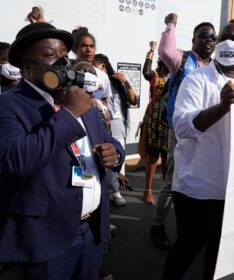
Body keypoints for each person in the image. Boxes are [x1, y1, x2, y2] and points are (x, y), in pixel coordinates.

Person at [0, 22, 124, 279]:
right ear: (26, 67)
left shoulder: (78, 98)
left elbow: (108, 139)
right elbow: (17, 160)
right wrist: (67, 115)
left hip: (91, 232)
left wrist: (116, 153)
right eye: (49, 55)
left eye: (63, 56)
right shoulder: (9, 105)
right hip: (47, 240)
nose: (61, 64)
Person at [163, 19, 234, 280]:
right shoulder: (197, 79)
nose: (227, 43)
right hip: (198, 189)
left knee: (219, 254)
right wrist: (220, 108)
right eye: (223, 38)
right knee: (187, 248)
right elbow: (182, 126)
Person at [149, 13, 216, 249]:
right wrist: (171, 24)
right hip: (182, 130)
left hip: (208, 131)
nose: (209, 39)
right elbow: (166, 50)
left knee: (200, 179)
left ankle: (189, 229)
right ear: (194, 40)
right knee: (174, 180)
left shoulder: (217, 67)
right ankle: (157, 225)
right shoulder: (183, 61)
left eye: (213, 36)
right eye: (203, 35)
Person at [72, 27, 127, 206]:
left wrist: (106, 132)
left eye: (91, 46)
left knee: (96, 169)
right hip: (72, 125)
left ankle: (99, 210)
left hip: (95, 123)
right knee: (76, 168)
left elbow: (104, 102)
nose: (88, 50)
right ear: (75, 49)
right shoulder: (66, 71)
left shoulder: (102, 76)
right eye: (83, 46)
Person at [93, 53, 137, 206]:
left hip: (118, 129)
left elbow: (133, 100)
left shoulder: (116, 83)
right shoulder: (93, 85)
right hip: (100, 127)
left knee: (116, 162)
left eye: (96, 66)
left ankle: (115, 192)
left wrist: (126, 82)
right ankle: (108, 194)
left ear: (104, 67)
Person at [141, 41, 170, 205]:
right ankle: (147, 192)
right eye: (165, 60)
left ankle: (165, 192)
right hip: (153, 117)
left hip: (167, 118)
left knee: (166, 157)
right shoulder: (155, 75)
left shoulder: (174, 77)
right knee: (153, 156)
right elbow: (145, 71)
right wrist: (151, 51)